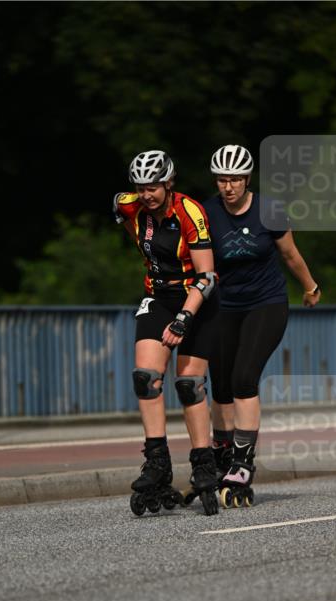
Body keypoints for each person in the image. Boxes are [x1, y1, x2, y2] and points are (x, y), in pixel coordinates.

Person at [203, 143, 321, 506]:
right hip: (224, 306)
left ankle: (242, 464)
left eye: (235, 179)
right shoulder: (207, 212)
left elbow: (289, 254)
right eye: (222, 179)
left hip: (266, 304)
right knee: (219, 385)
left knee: (243, 378)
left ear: (247, 178)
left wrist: (310, 286)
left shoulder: (269, 209)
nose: (229, 187)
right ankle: (222, 457)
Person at [114, 149, 221, 515]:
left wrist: (183, 320)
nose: (147, 194)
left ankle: (204, 463)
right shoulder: (131, 206)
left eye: (154, 187)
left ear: (169, 183)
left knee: (188, 383)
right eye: (142, 187)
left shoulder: (190, 212)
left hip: (196, 297)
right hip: (158, 294)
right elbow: (122, 209)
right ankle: (157, 462)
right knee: (146, 378)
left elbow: (208, 277)